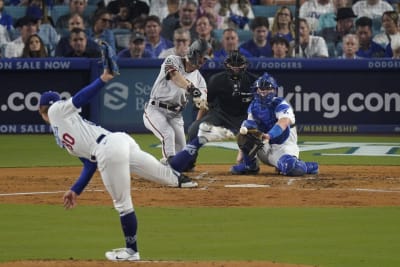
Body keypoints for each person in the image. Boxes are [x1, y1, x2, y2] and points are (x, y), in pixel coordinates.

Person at [38, 69, 198, 262]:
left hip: (109, 149)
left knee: (123, 204)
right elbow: (90, 164)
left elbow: (80, 98)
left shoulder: (55, 111)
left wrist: (103, 79)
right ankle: (202, 139)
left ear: (41, 110)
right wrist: (76, 190)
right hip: (120, 140)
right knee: (168, 176)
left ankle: (131, 251)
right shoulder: (64, 133)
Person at [230, 72, 319, 176]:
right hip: (264, 145)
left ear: (273, 90)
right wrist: (242, 152)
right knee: (246, 128)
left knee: (290, 167)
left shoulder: (280, 104)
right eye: (261, 89)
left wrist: (269, 135)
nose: (263, 92)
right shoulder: (253, 106)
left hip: (282, 145)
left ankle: (308, 166)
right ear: (256, 90)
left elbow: (283, 122)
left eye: (267, 89)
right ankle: (250, 165)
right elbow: (247, 130)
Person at [185, 50, 258, 171]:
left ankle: (250, 163)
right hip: (221, 114)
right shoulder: (216, 80)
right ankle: (188, 162)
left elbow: (260, 106)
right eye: (232, 66)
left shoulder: (253, 81)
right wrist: (197, 123)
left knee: (258, 134)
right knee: (194, 129)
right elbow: (206, 103)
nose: (235, 69)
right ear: (226, 66)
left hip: (244, 117)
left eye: (238, 66)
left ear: (244, 66)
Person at [143, 39, 212, 164]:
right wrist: (191, 88)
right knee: (168, 134)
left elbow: (202, 105)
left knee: (183, 158)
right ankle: (171, 170)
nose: (203, 61)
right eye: (202, 57)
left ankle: (164, 165)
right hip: (155, 109)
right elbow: (175, 77)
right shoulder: (172, 59)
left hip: (176, 115)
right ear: (194, 54)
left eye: (206, 59)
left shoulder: (199, 79)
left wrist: (197, 124)